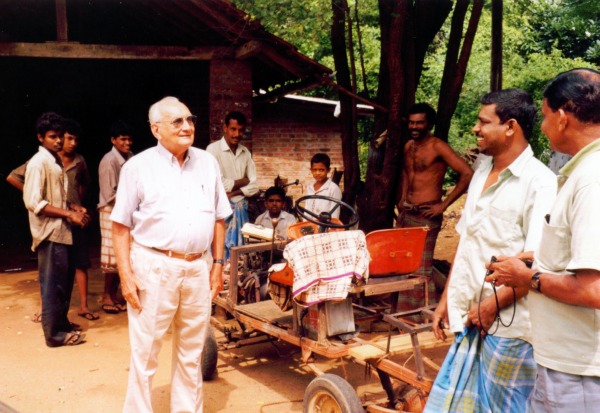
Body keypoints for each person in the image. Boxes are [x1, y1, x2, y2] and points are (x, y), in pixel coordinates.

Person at [425, 89, 557, 412]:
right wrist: (446, 301)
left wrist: (490, 307)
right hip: (472, 318)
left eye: (484, 122)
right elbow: (467, 240)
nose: (476, 129)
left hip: (511, 330)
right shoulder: (482, 171)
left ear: (510, 126)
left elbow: (536, 263)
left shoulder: (540, 183)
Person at [488, 69, 600, 412]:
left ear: (563, 118)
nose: (543, 126)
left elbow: (594, 290)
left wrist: (527, 278)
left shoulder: (591, 179)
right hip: (567, 363)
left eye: (547, 116)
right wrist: (538, 259)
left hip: (578, 370)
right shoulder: (583, 172)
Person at [111, 96, 232, 413]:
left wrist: (217, 265)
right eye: (176, 121)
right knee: (146, 350)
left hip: (197, 269)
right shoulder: (137, 167)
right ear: (155, 129)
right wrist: (126, 277)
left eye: (189, 119)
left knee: (192, 353)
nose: (186, 126)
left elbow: (220, 218)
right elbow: (120, 226)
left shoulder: (207, 162)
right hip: (153, 267)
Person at [396, 103, 473, 310]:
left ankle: (423, 314)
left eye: (419, 123)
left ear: (428, 124)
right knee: (404, 264)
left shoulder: (438, 146)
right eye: (411, 122)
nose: (414, 126)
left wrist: (443, 206)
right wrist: (403, 199)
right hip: (408, 212)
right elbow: (406, 173)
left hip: (428, 214)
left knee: (421, 269)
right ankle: (405, 313)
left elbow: (467, 173)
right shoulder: (408, 146)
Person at [23, 112, 90, 347]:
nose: (59, 141)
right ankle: (54, 335)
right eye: (53, 137)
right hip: (49, 233)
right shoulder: (38, 163)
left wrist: (74, 208)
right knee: (52, 285)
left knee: (63, 281)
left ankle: (61, 325)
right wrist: (68, 214)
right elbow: (34, 201)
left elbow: (59, 198)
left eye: (61, 136)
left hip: (62, 231)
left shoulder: (55, 162)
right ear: (40, 137)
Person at [58, 119, 97, 321]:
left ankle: (83, 305)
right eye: (69, 139)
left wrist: (77, 202)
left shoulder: (79, 161)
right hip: (55, 218)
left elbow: (84, 183)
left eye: (75, 140)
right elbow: (15, 177)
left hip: (76, 217)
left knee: (81, 261)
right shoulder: (50, 160)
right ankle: (47, 308)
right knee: (55, 265)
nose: (72, 143)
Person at [206, 111, 258, 260]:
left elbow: (254, 184)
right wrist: (242, 181)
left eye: (241, 130)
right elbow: (219, 183)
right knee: (219, 250)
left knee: (239, 256)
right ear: (225, 128)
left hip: (241, 209)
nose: (237, 134)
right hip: (221, 210)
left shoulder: (245, 152)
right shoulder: (213, 150)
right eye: (233, 129)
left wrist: (233, 193)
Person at [97, 120, 133, 314]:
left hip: (125, 211)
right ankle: (106, 295)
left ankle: (114, 294)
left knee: (124, 255)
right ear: (114, 140)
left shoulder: (131, 158)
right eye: (123, 139)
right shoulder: (108, 161)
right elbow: (109, 194)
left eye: (129, 139)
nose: (127, 143)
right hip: (110, 211)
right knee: (112, 258)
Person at [305, 153, 342, 219]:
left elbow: (334, 215)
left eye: (321, 170)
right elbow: (306, 212)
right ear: (311, 170)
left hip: (325, 227)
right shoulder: (310, 188)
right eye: (315, 170)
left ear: (328, 170)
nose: (318, 173)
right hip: (310, 227)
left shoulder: (333, 189)